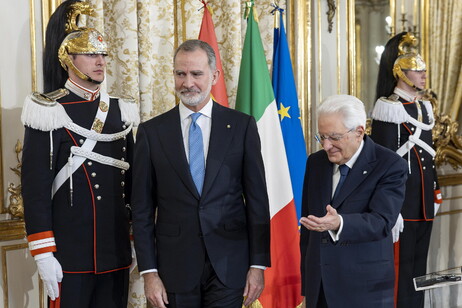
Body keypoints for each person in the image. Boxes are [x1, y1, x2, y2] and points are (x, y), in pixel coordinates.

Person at [131, 39, 271, 308]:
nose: (188, 82)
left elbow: (257, 201)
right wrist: (149, 273)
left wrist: (258, 264)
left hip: (230, 266)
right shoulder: (151, 133)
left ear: (214, 75)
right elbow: (142, 210)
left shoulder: (241, 127)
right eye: (180, 74)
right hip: (174, 269)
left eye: (196, 73)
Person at [21, 1, 139, 307]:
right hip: (70, 255)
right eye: (90, 54)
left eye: (102, 54)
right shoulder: (48, 110)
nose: (100, 61)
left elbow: (134, 184)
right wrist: (44, 253)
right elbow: (35, 189)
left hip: (115, 251)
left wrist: (138, 239)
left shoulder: (120, 110)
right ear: (68, 59)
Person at [299, 94, 408, 307]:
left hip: (364, 289)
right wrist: (307, 287)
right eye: (321, 137)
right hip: (319, 287)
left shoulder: (390, 165)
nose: (326, 146)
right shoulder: (315, 163)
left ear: (359, 132)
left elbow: (381, 221)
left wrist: (340, 223)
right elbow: (308, 231)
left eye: (334, 137)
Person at [370, 32, 442, 307]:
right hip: (403, 202)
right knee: (401, 269)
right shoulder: (388, 108)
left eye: (424, 71)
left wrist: (435, 190)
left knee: (419, 270)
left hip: (423, 201)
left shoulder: (424, 107)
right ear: (401, 73)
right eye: (418, 71)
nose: (424, 76)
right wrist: (389, 206)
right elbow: (384, 162)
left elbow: (428, 154)